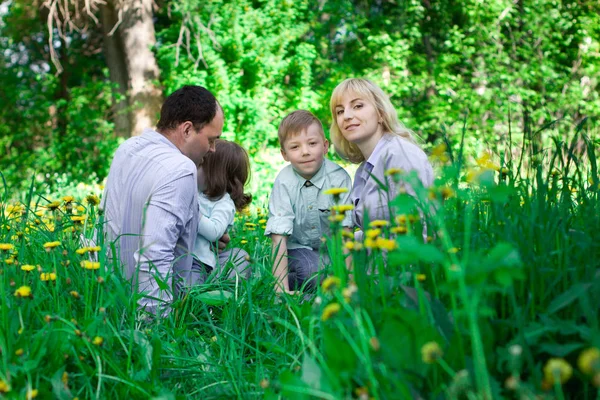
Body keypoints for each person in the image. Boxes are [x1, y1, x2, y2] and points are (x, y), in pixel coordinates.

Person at [101, 85, 223, 314]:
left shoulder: (127, 148)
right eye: (211, 139)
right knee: (238, 259)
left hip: (108, 292)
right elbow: (155, 255)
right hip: (158, 305)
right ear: (187, 130)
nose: (214, 149)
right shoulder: (181, 168)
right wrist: (156, 331)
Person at [329, 78, 434, 233]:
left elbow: (417, 232)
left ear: (381, 114)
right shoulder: (364, 169)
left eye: (357, 106)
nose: (347, 116)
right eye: (340, 111)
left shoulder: (401, 155)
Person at [265, 110, 353, 293]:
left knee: (366, 263)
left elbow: (346, 232)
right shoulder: (284, 182)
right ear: (284, 154)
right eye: (295, 147)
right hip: (297, 250)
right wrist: (280, 290)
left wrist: (350, 284)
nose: (305, 152)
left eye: (312, 143)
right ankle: (283, 280)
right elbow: (278, 235)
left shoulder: (338, 179)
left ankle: (298, 279)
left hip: (331, 250)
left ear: (325, 146)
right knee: (313, 271)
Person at [191, 140, 252, 285]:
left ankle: (213, 293)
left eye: (200, 165)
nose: (193, 168)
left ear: (216, 174)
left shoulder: (223, 203)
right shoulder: (195, 191)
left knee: (188, 292)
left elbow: (214, 231)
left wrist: (192, 211)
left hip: (198, 262)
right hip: (179, 257)